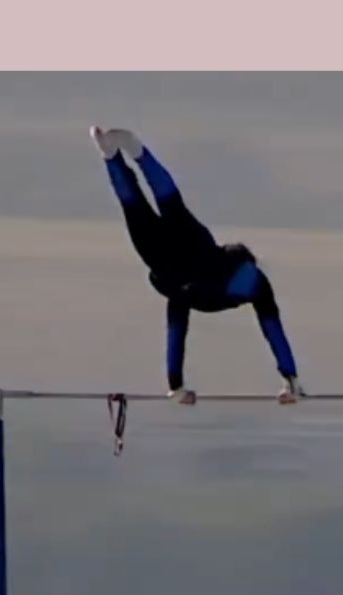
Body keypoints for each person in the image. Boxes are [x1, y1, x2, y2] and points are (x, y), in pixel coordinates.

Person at [90, 127, 302, 405]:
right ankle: (112, 156)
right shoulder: (248, 282)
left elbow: (176, 333)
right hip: (179, 264)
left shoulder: (211, 285)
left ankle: (127, 152)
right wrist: (291, 380)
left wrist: (176, 385)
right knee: (136, 208)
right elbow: (271, 329)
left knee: (167, 203)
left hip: (182, 266)